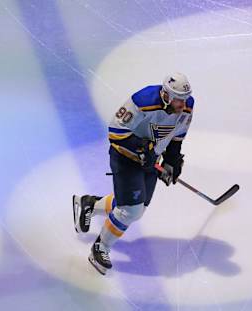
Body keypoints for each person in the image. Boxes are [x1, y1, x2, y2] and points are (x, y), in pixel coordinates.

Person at [72, 72, 194, 275]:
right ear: (166, 94)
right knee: (131, 211)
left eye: (184, 99)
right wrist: (141, 147)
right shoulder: (143, 100)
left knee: (138, 207)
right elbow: (115, 131)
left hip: (151, 160)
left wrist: (172, 160)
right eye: (178, 99)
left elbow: (177, 135)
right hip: (126, 158)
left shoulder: (188, 104)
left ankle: (89, 204)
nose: (182, 104)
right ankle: (100, 247)